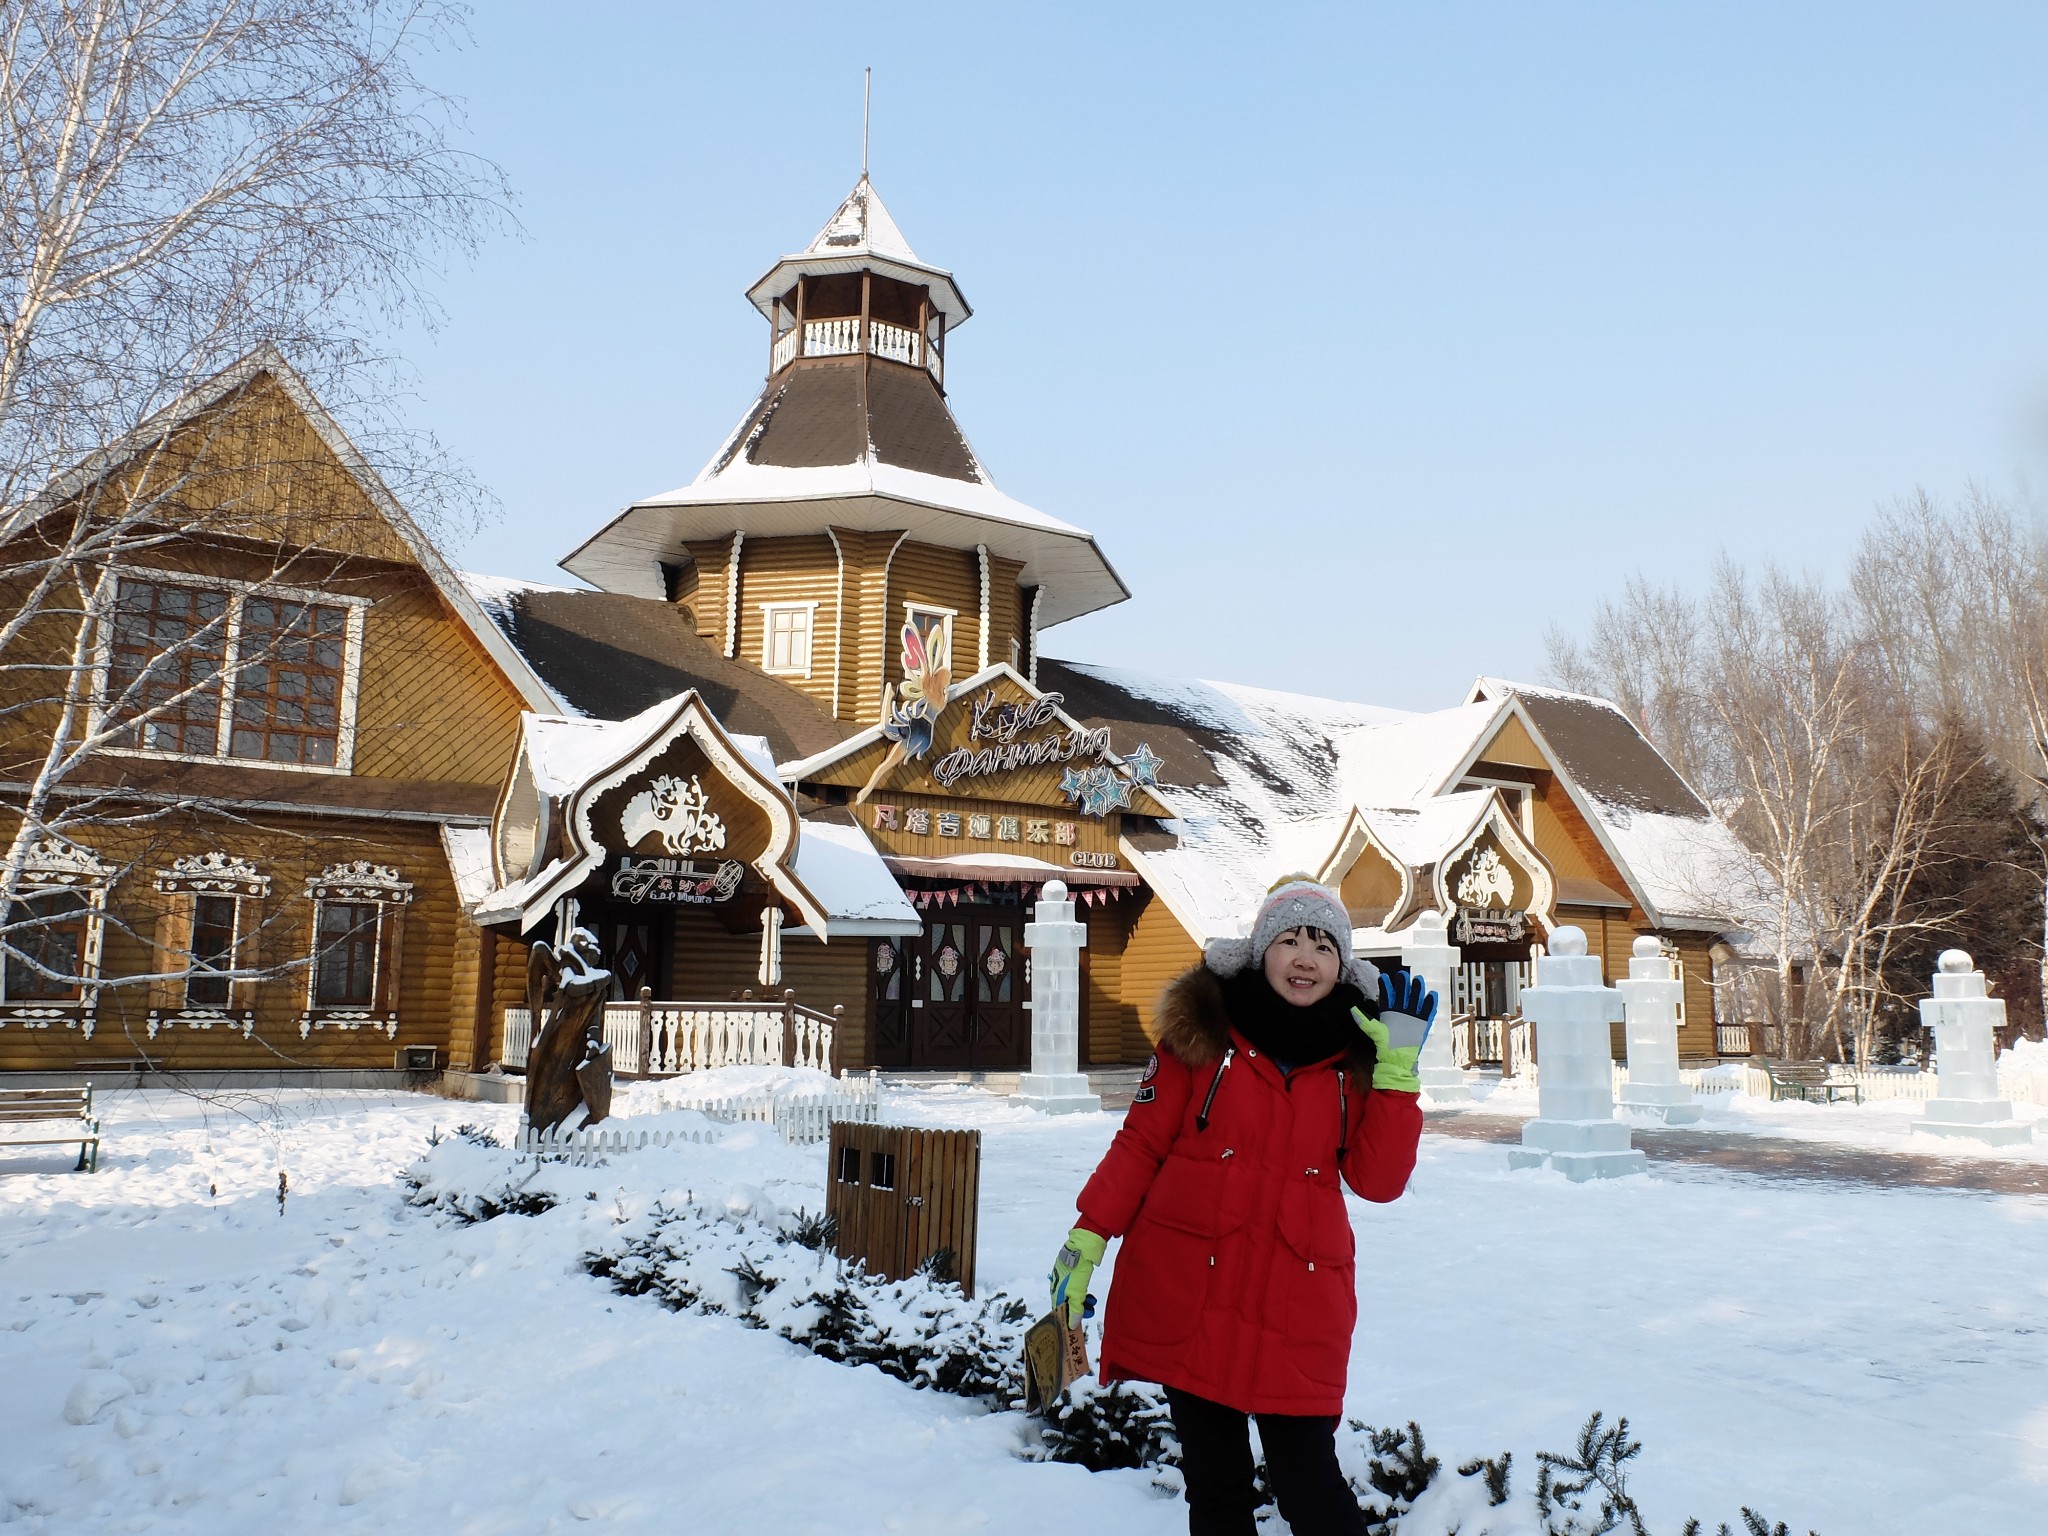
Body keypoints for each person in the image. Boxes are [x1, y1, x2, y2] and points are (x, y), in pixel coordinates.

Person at [1048, 877, 1432, 1536]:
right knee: (1217, 1490)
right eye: (1289, 939)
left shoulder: (1359, 1058)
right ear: (1259, 951)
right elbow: (1141, 1142)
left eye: (1322, 944)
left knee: (1309, 1486)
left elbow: (1378, 1181)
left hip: (1298, 1302)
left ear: (1343, 965)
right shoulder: (1200, 1036)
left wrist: (1397, 1082)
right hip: (1191, 1288)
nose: (1305, 957)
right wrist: (1089, 1235)